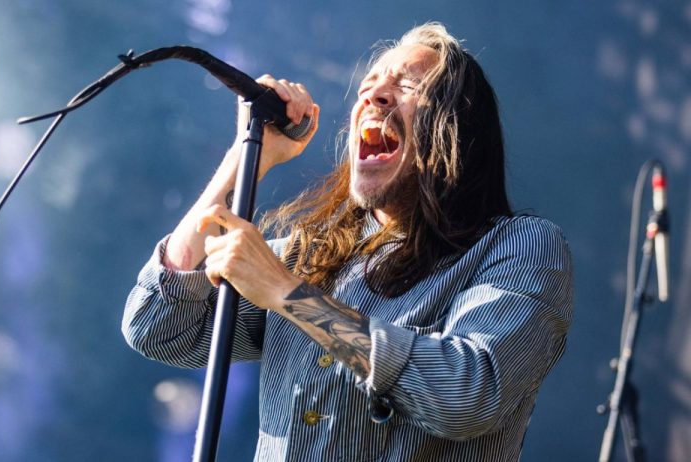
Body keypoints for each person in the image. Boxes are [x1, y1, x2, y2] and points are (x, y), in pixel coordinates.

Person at [122, 22, 573, 462]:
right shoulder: (310, 256)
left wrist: (289, 295)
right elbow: (156, 326)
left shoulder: (520, 247)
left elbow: (466, 395)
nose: (374, 95)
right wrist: (246, 155)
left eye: (409, 86)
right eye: (368, 85)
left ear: (456, 129)